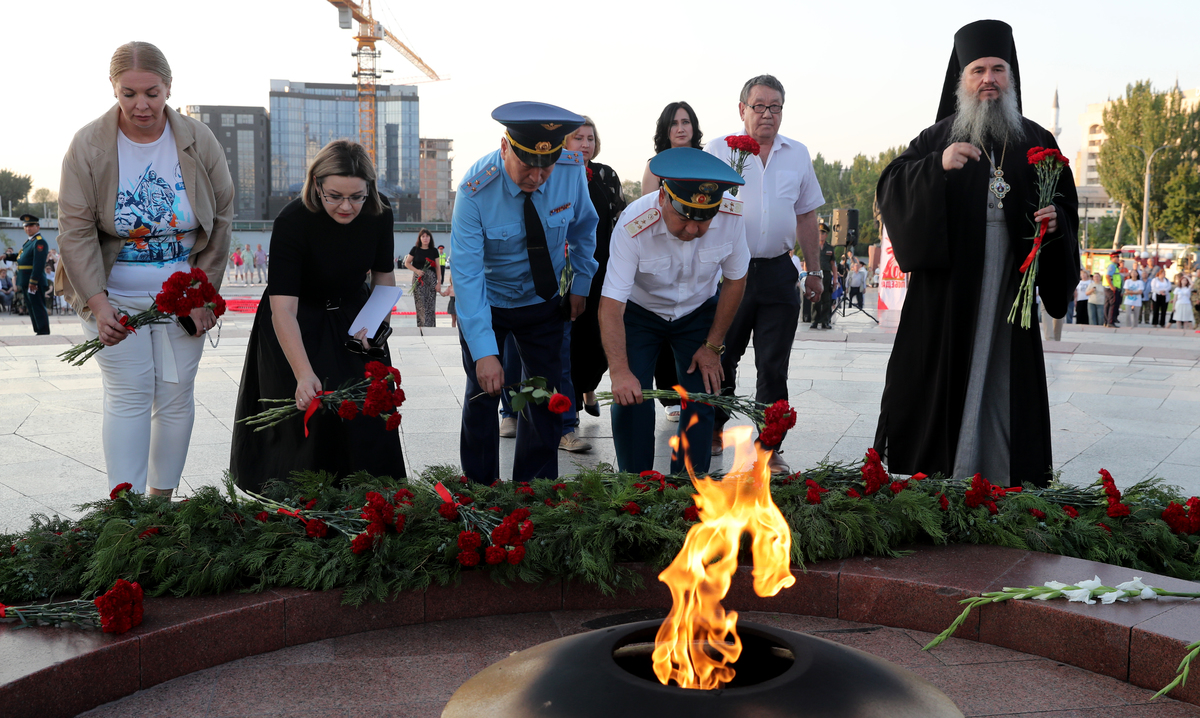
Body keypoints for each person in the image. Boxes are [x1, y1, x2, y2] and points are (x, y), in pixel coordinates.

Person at [873, 20, 1079, 488]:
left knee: (1006, 378)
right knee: (946, 381)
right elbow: (891, 188)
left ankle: (1004, 479)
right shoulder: (936, 138)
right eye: (978, 70)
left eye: (998, 69)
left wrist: (1057, 222)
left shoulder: (1038, 140)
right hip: (948, 299)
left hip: (1010, 288)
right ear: (962, 80)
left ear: (1011, 77)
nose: (989, 79)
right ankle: (946, 478)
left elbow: (1066, 208)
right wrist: (936, 167)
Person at [57, 41, 232, 497]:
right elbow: (74, 231)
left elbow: (221, 218)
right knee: (129, 394)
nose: (141, 105)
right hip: (112, 294)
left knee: (175, 394)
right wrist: (99, 305)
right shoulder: (88, 145)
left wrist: (202, 297)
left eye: (152, 93)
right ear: (113, 88)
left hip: (182, 297)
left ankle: (159, 505)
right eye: (129, 93)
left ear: (169, 87)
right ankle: (127, 509)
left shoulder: (199, 139)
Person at [230, 139, 405, 490]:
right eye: (335, 196)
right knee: (307, 420)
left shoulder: (379, 210)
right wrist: (303, 373)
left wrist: (375, 327)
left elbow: (384, 278)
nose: (347, 206)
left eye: (357, 196)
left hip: (354, 314)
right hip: (297, 320)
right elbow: (283, 309)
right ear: (316, 184)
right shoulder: (293, 220)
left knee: (365, 414)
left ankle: (370, 499)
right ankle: (301, 506)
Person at [450, 102, 599, 485]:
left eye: (545, 167)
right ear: (505, 147)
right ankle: (480, 489)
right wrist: (485, 352)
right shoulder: (474, 190)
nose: (536, 177)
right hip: (490, 304)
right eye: (527, 166)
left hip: (542, 300)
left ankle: (534, 491)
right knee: (482, 393)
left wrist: (580, 284)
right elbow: (466, 275)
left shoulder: (569, 170)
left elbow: (584, 229)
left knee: (543, 398)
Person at [600, 148, 748, 475]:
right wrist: (619, 371)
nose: (692, 230)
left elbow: (736, 280)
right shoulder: (633, 224)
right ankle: (636, 487)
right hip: (640, 312)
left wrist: (713, 346)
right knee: (631, 397)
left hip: (697, 311)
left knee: (702, 397)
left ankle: (688, 488)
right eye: (684, 219)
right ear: (663, 198)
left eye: (703, 220)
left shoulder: (731, 217)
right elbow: (611, 303)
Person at [705, 75, 825, 471]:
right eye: (759, 106)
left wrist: (815, 270)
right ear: (742, 109)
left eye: (775, 107)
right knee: (722, 355)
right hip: (731, 273)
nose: (767, 114)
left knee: (773, 365)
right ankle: (713, 428)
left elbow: (806, 215)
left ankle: (769, 447)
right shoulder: (719, 150)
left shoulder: (797, 154)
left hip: (778, 272)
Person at [643, 102, 705, 423]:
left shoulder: (707, 164)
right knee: (663, 326)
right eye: (674, 123)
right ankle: (669, 396)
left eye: (686, 122)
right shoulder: (655, 166)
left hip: (699, 257)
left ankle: (695, 395)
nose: (680, 128)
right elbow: (647, 215)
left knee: (693, 326)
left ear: (694, 127)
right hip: (663, 256)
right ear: (665, 131)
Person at [565, 116, 626, 441]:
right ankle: (572, 407)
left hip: (604, 269)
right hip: (568, 271)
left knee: (600, 338)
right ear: (565, 142)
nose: (585, 144)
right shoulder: (557, 174)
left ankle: (589, 386)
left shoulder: (605, 176)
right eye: (578, 138)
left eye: (590, 138)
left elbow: (621, 220)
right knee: (573, 338)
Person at [15, 214, 50, 334]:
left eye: (31, 226)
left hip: (33, 280)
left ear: (37, 227)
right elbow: (21, 257)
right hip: (25, 279)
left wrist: (33, 281)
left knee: (37, 305)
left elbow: (38, 264)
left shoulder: (39, 242)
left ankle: (43, 331)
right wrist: (6, 256)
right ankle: (38, 329)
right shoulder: (29, 242)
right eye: (26, 226)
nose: (28, 228)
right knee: (31, 306)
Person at [405, 228, 442, 328]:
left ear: (430, 238)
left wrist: (439, 282)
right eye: (423, 236)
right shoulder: (415, 249)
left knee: (430, 305)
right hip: (419, 280)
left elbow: (438, 267)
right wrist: (416, 271)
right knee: (420, 305)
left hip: (431, 280)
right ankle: (422, 327)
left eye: (427, 236)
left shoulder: (434, 251)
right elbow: (407, 263)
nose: (425, 238)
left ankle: (430, 328)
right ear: (420, 238)